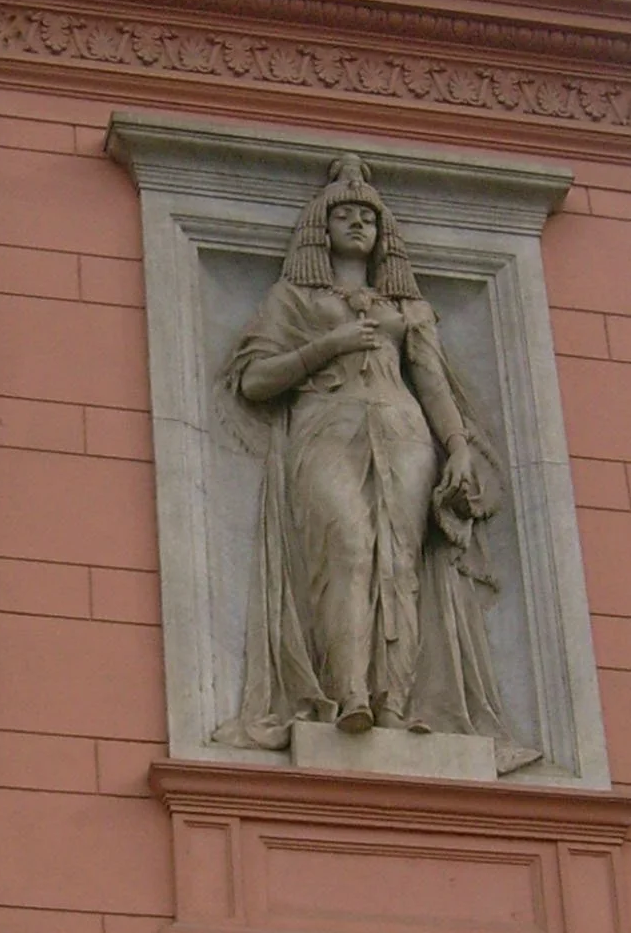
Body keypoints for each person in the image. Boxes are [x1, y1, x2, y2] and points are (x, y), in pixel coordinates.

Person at [214, 154, 539, 772]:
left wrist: (460, 446)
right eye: (346, 215)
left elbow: (434, 383)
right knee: (347, 550)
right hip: (327, 430)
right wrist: (327, 345)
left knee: (398, 564)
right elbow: (255, 380)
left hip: (404, 433)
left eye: (369, 216)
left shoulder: (405, 310)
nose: (359, 224)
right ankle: (347, 695)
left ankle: (393, 702)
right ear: (323, 228)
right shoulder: (295, 299)